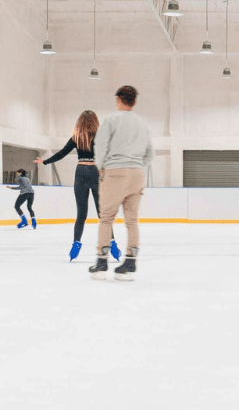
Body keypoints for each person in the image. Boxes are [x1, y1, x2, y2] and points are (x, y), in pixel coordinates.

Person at [87, 85, 154, 282]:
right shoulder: (142, 124)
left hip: (115, 172)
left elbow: (101, 145)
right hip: (136, 174)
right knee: (131, 220)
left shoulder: (111, 120)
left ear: (118, 99)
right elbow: (150, 152)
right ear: (134, 101)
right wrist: (137, 166)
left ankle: (101, 262)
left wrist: (101, 167)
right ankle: (130, 263)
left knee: (106, 218)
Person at [37, 110, 103, 262]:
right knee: (103, 214)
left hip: (80, 172)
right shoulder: (99, 137)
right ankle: (112, 245)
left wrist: (45, 162)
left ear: (80, 122)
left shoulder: (76, 137)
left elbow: (61, 153)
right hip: (94, 172)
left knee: (81, 214)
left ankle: (76, 244)